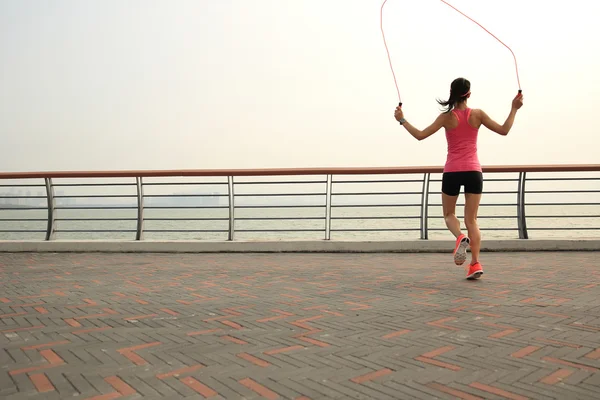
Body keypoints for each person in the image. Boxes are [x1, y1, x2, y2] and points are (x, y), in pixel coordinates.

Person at [394, 77, 523, 279]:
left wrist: (402, 119)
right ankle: (475, 264)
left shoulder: (446, 118)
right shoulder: (478, 115)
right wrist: (514, 108)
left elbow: (420, 135)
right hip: (473, 171)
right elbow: (504, 130)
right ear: (469, 94)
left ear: (451, 93)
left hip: (452, 171)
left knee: (448, 215)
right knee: (472, 220)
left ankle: (460, 237)